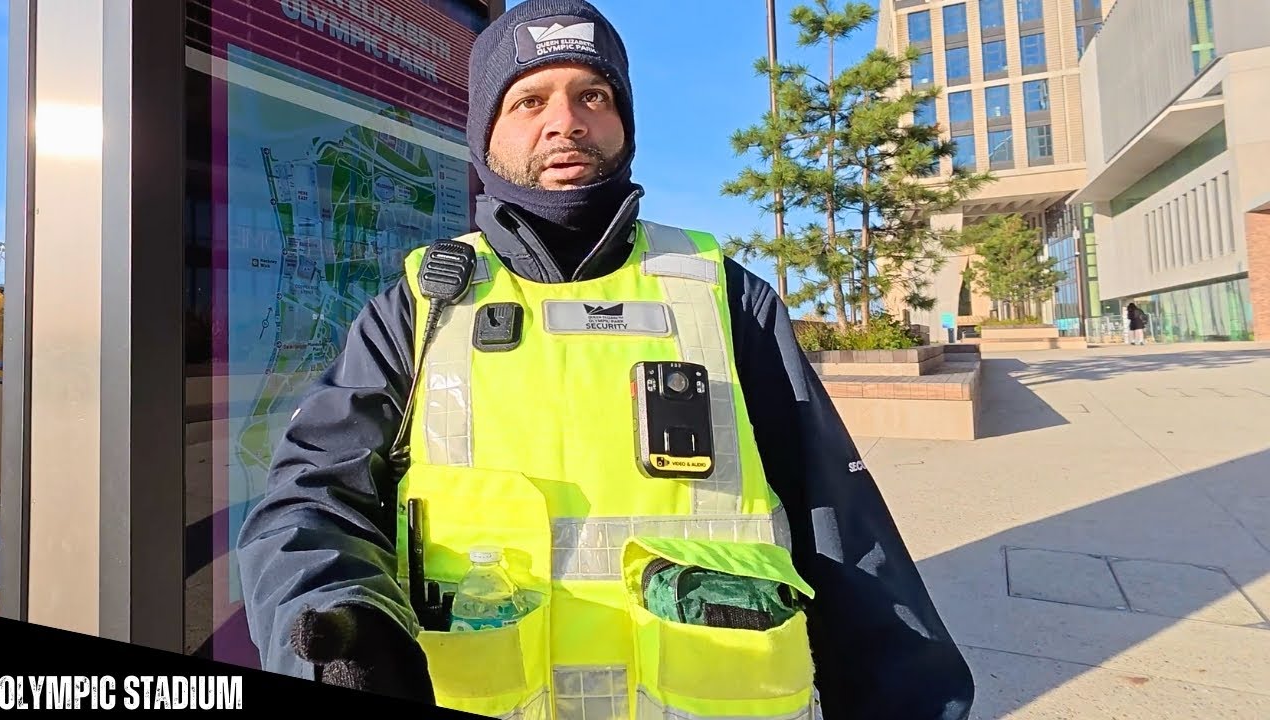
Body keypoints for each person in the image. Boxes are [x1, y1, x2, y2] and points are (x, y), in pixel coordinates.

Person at [235, 1, 974, 718]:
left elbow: (842, 535)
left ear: (624, 122)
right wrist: (336, 620)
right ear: (484, 132)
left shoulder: (725, 298)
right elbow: (309, 503)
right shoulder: (420, 309)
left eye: (593, 94)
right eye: (530, 100)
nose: (566, 120)